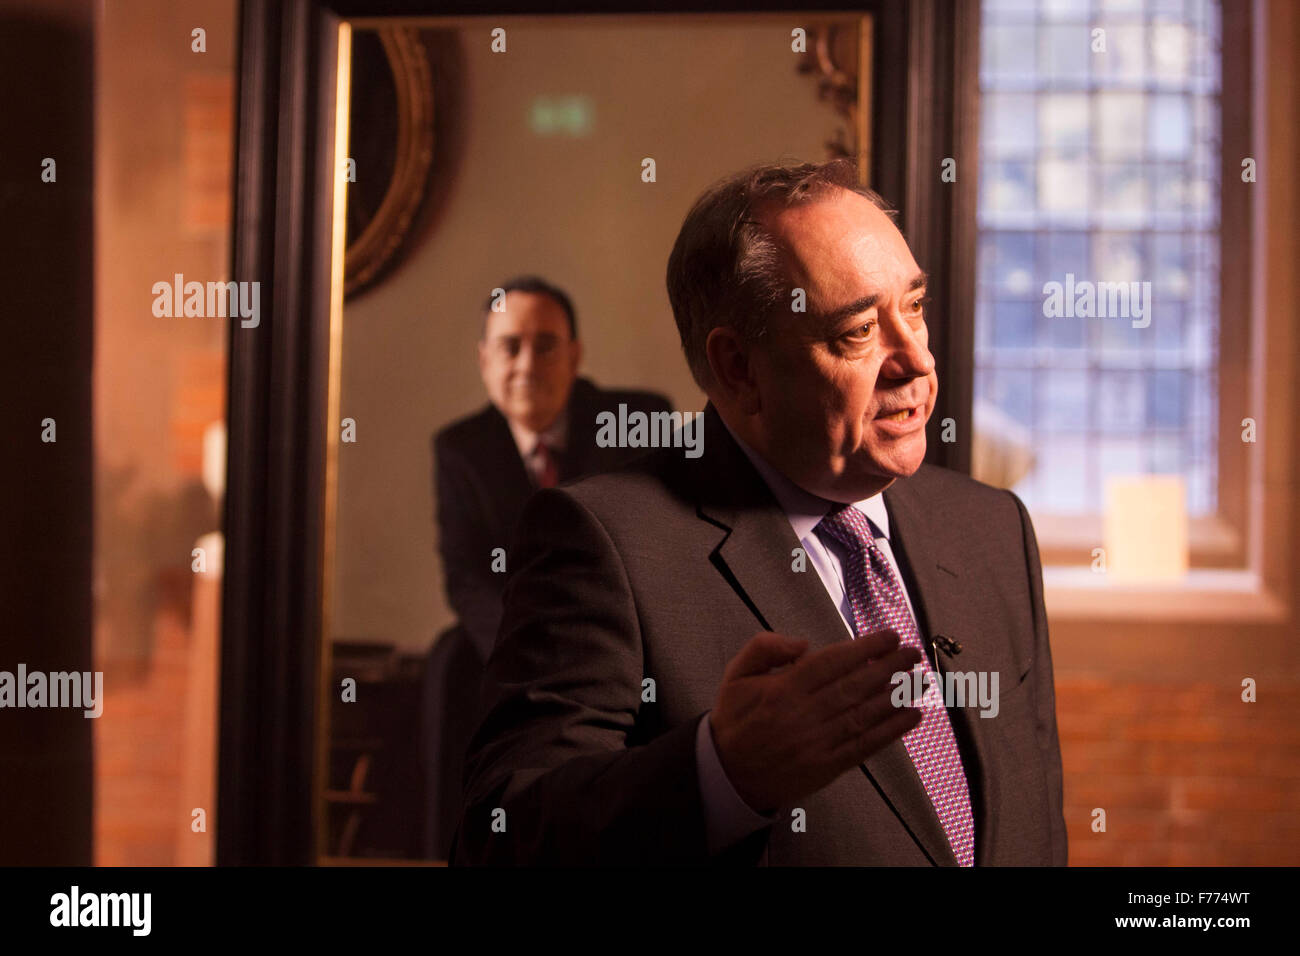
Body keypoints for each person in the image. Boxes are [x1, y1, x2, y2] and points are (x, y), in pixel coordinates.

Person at [452, 160, 1067, 866]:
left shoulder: (994, 530)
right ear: (740, 368)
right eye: (859, 332)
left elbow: (1036, 826)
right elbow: (498, 839)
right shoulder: (605, 544)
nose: (916, 362)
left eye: (916, 308)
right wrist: (722, 774)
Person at [424, 275, 670, 858]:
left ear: (576, 355)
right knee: (448, 670)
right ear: (484, 360)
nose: (527, 362)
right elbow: (464, 573)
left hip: (624, 630)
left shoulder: (638, 419)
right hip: (511, 642)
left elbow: (661, 547)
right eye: (510, 346)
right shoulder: (460, 447)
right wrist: (529, 657)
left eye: (546, 344)